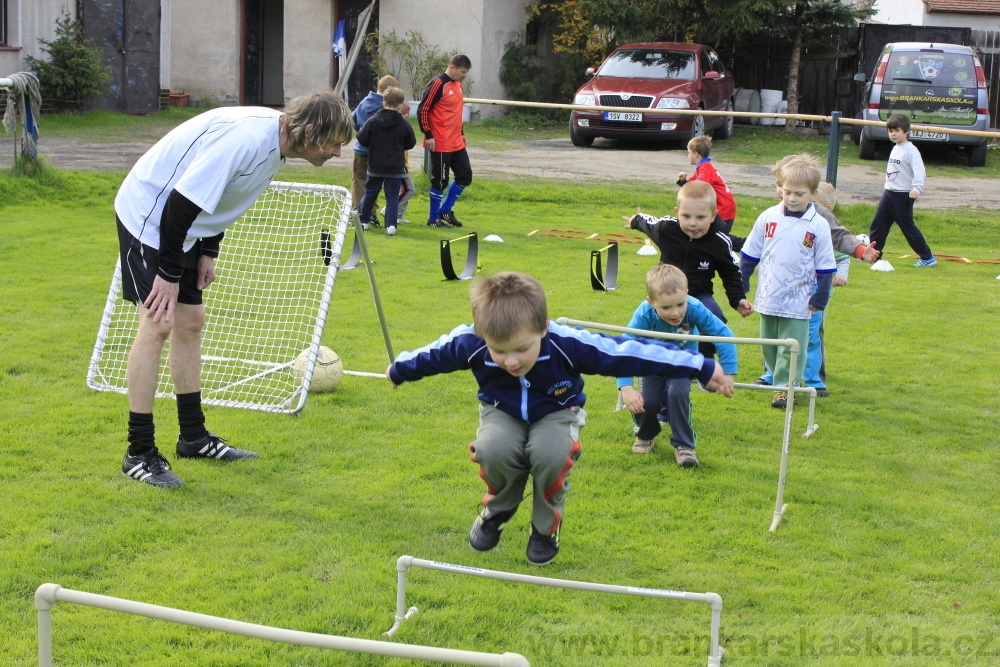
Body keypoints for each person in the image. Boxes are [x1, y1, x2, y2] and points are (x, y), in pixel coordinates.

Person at [386, 272, 732, 565]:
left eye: (522, 348)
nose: (511, 362)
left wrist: (699, 364)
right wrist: (400, 369)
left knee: (549, 454)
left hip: (557, 410)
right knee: (493, 449)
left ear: (543, 328)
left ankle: (544, 528)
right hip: (499, 409)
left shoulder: (568, 343)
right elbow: (431, 354)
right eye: (499, 351)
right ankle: (499, 510)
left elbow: (627, 351)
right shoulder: (470, 342)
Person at [115, 90, 354, 487]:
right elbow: (179, 203)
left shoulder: (278, 143)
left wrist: (208, 248)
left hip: (185, 227)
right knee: (157, 324)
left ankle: (193, 436)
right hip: (151, 216)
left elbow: (223, 194)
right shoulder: (246, 141)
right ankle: (138, 452)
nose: (336, 153)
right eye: (333, 143)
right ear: (309, 131)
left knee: (191, 322)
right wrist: (170, 274)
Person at [755, 163, 880, 395]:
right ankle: (772, 375)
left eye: (796, 191)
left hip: (813, 287)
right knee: (775, 332)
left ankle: (813, 379)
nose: (787, 195)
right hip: (779, 289)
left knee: (810, 333)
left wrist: (861, 250)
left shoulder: (819, 215)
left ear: (813, 196)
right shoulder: (773, 214)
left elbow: (840, 237)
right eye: (782, 188)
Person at [739, 155, 837, 408]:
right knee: (769, 345)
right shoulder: (768, 217)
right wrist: (742, 282)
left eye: (799, 194)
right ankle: (777, 380)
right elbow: (750, 253)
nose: (792, 198)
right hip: (769, 296)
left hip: (800, 301)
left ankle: (786, 388)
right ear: (780, 189)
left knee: (792, 347)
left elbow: (826, 266)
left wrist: (820, 296)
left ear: (813, 194)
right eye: (787, 192)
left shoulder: (818, 225)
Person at [617, 264, 738, 467]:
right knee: (648, 401)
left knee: (677, 394)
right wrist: (626, 387)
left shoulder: (695, 308)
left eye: (680, 304)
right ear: (651, 302)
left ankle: (684, 445)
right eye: (666, 308)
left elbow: (724, 335)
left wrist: (728, 372)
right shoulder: (644, 315)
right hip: (652, 363)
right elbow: (625, 347)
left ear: (687, 294)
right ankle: (646, 434)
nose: (675, 313)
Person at [623, 180, 753, 360]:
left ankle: (701, 363)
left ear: (714, 215)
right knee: (653, 322)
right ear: (677, 213)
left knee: (716, 319)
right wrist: (636, 220)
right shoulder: (666, 229)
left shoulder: (719, 242)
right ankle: (652, 358)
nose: (693, 223)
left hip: (700, 295)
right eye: (686, 216)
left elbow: (730, 272)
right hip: (665, 293)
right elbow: (649, 223)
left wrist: (737, 298)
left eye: (700, 217)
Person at [868, 113, 937, 268]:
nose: (893, 134)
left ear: (906, 131)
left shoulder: (911, 150)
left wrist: (916, 189)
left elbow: (920, 172)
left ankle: (927, 258)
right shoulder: (896, 148)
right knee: (878, 224)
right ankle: (873, 255)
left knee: (908, 228)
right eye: (890, 131)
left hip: (903, 196)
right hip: (889, 193)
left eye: (897, 130)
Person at [418, 54, 472, 228]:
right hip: (440, 141)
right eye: (462, 72)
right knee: (440, 181)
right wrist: (429, 135)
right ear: (452, 67)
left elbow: (456, 112)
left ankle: (446, 210)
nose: (464, 75)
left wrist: (461, 132)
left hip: (456, 141)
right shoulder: (438, 84)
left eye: (466, 72)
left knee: (465, 176)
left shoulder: (458, 86)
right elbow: (423, 110)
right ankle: (433, 218)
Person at [356, 87, 416, 236]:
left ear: (384, 103)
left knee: (370, 193)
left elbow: (361, 137)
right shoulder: (403, 124)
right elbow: (411, 143)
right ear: (401, 104)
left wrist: (373, 143)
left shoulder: (373, 121)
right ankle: (391, 225)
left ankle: (363, 221)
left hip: (375, 165)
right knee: (392, 197)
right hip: (395, 167)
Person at [350, 75, 401, 224]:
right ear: (388, 90)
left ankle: (359, 211)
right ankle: (366, 213)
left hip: (361, 149)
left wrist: (360, 130)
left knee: (359, 180)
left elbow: (352, 119)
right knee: (374, 182)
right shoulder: (386, 108)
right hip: (380, 152)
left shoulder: (364, 101)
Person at [676, 135, 737, 234]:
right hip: (722, 207)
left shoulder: (705, 168)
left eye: (689, 153)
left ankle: (747, 246)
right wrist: (683, 181)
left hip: (723, 208)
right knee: (712, 239)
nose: (688, 156)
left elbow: (698, 188)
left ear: (696, 154)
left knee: (718, 239)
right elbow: (691, 185)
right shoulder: (702, 168)